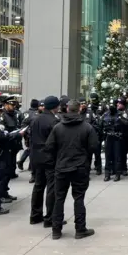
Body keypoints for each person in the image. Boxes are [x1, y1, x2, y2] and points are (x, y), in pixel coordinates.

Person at [45, 100, 98, 240]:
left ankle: (56, 230)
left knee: (59, 198)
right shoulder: (87, 127)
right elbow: (94, 146)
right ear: (79, 110)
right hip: (80, 167)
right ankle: (80, 229)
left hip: (62, 167)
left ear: (67, 109)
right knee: (79, 198)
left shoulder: (58, 127)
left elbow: (49, 147)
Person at [28, 96, 61, 227]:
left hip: (36, 157)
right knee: (51, 188)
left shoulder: (36, 119)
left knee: (38, 186)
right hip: (49, 157)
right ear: (55, 106)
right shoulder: (53, 121)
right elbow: (56, 141)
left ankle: (35, 215)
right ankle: (50, 218)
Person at [102, 98, 128, 181]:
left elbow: (127, 124)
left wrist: (120, 119)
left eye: (113, 105)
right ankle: (107, 174)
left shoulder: (121, 114)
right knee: (108, 156)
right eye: (110, 105)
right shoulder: (105, 114)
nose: (112, 107)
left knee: (117, 156)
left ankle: (117, 173)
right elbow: (101, 125)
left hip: (117, 138)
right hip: (108, 137)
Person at [0, 96, 21, 202]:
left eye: (14, 105)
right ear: (6, 105)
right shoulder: (3, 116)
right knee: (4, 172)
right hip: (5, 147)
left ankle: (5, 192)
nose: (13, 107)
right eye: (12, 105)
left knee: (9, 171)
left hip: (12, 147)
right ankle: (1, 194)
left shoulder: (13, 115)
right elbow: (3, 133)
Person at [19, 99, 40, 183]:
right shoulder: (35, 114)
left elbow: (22, 123)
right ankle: (32, 171)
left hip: (28, 135)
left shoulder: (25, 113)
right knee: (31, 151)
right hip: (32, 136)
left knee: (29, 150)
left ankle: (25, 164)